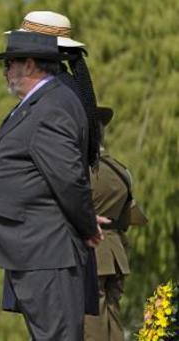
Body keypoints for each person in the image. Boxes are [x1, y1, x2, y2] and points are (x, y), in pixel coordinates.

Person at [0, 31, 105, 340]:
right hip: (35, 248)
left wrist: (86, 224)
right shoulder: (41, 103)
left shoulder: (52, 106)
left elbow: (69, 178)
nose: (5, 72)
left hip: (46, 249)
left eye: (9, 64)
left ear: (29, 65)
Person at [5, 10, 104, 317]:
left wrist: (85, 221)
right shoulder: (62, 91)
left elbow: (65, 176)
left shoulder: (55, 96)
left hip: (50, 242)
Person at [84, 107, 148, 341]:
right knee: (113, 320)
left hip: (90, 252)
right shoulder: (122, 171)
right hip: (116, 253)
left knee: (91, 321)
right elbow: (129, 217)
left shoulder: (81, 170)